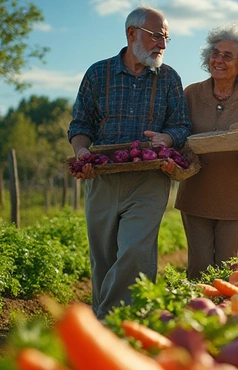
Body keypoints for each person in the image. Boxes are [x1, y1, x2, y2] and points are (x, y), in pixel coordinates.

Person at [68, 6, 191, 319]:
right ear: (131, 33)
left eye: (166, 38)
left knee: (136, 251)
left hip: (149, 180)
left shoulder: (169, 79)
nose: (163, 45)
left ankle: (112, 321)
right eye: (157, 36)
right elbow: (80, 124)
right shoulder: (98, 74)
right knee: (104, 258)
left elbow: (181, 126)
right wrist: (82, 151)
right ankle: (115, 325)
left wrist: (168, 137)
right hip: (102, 177)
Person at [174, 23, 238, 279]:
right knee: (199, 270)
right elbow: (177, 134)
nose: (218, 60)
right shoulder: (191, 94)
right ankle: (196, 316)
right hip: (196, 196)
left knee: (230, 271)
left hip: (234, 201)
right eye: (215, 53)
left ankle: (226, 317)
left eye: (227, 56)